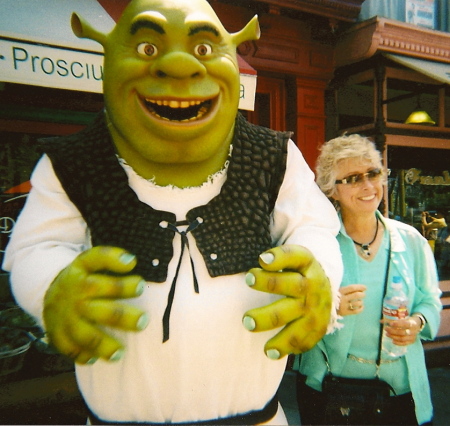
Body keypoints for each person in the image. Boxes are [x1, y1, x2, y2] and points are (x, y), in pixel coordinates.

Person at [2, 0, 343, 424]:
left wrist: (320, 274)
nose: (179, 67)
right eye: (147, 48)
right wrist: (52, 286)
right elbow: (37, 247)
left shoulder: (275, 157)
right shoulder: (71, 162)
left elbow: (314, 230)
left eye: (203, 49)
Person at [295, 134, 442, 425]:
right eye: (351, 178)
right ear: (331, 189)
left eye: (373, 174)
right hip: (331, 391)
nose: (367, 186)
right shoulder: (316, 243)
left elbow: (429, 300)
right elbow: (292, 311)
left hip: (400, 390)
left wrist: (417, 322)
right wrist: (329, 309)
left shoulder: (411, 240)